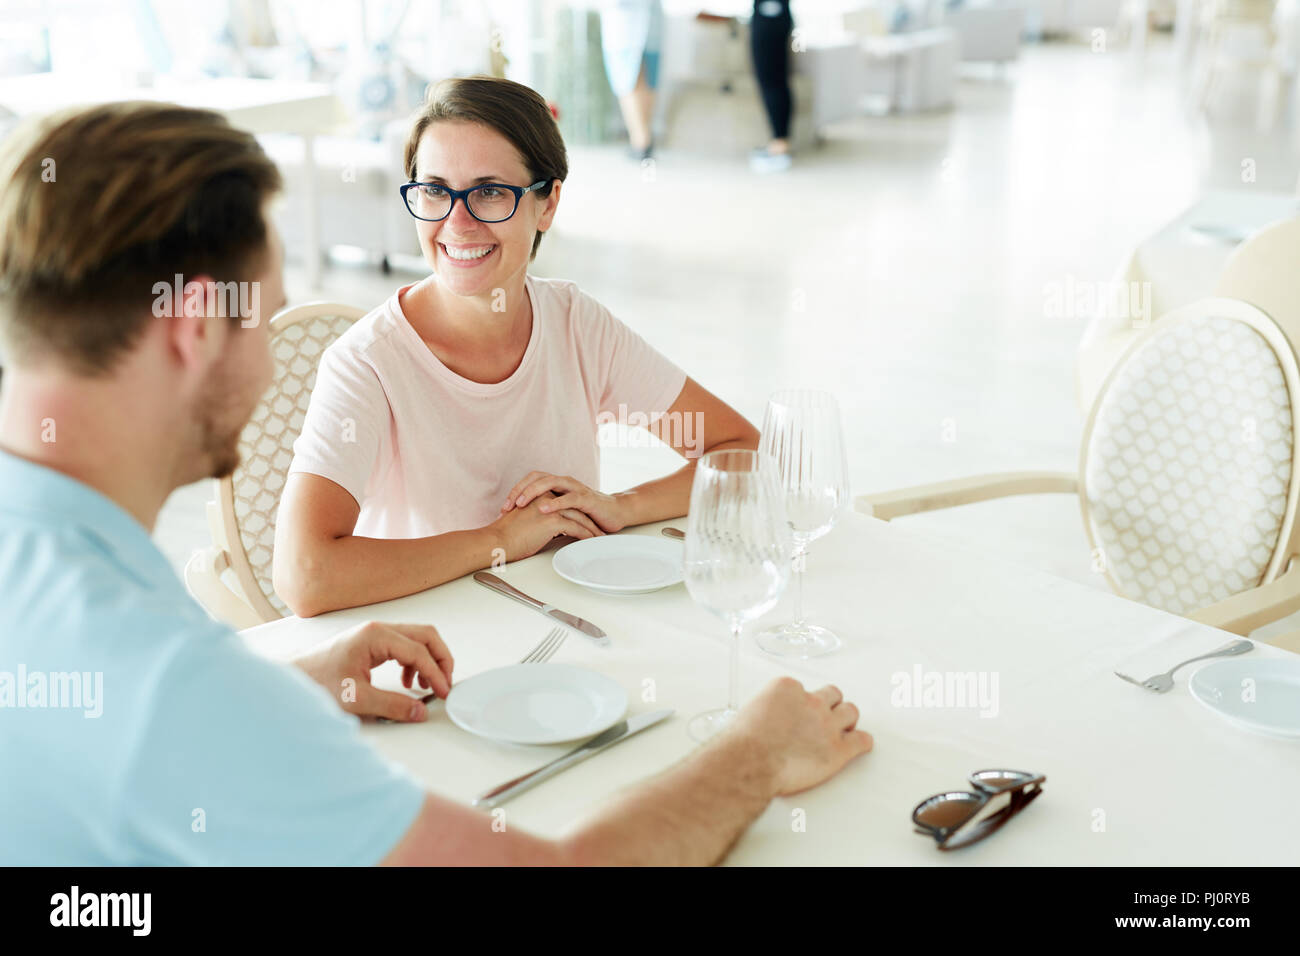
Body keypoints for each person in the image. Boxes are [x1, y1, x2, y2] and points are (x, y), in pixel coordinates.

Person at [0, 101, 872, 866]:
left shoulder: (77, 596)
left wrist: (292, 683)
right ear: (195, 328)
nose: (271, 361)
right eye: (262, 318)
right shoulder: (169, 688)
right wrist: (758, 749)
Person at [273, 76, 757, 618]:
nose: (456, 222)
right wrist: (499, 539)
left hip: (568, 627)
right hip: (431, 655)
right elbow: (304, 575)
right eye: (434, 189)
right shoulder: (367, 363)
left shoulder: (576, 325)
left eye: (489, 192)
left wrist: (620, 506)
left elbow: (742, 452)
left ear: (546, 205)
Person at [599, 0, 663, 160]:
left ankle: (641, 141)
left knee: (627, 75)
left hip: (626, 19)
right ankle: (643, 139)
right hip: (648, 15)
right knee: (645, 72)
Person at [749, 0, 795, 173]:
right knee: (775, 81)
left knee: (771, 82)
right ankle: (779, 143)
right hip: (773, 15)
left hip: (769, 17)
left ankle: (780, 147)